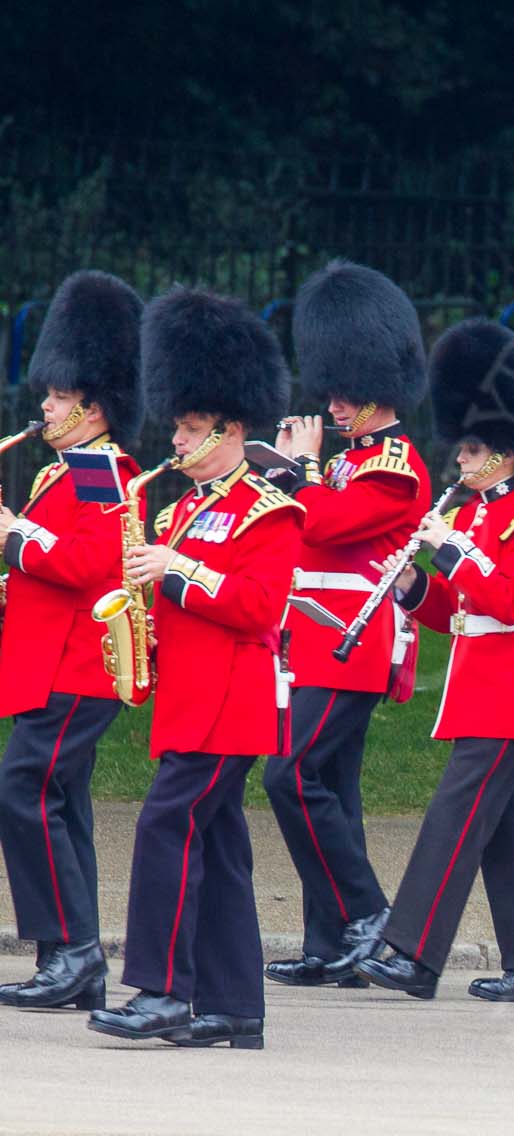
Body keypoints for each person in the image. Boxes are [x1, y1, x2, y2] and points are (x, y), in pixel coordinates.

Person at [87, 287, 301, 1049]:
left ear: (232, 427)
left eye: (191, 428)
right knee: (218, 846)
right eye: (177, 425)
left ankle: (162, 988)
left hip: (231, 703)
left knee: (164, 826)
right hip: (188, 696)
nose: (176, 440)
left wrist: (177, 570)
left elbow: (257, 608)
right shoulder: (178, 509)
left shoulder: (270, 510)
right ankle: (236, 1005)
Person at [355, 320, 514, 1004]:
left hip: (512, 690)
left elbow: (512, 600)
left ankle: (414, 951)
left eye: (472, 451)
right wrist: (416, 586)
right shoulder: (476, 517)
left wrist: (450, 552)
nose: (460, 462)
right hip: (480, 686)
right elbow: (461, 614)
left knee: (454, 817)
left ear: (504, 455)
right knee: (512, 832)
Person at [263, 260, 432, 990]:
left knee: (288, 774)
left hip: (352, 640)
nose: (331, 404)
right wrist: (287, 474)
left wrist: (301, 472)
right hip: (316, 637)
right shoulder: (347, 459)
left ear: (374, 389)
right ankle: (330, 943)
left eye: (341, 393)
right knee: (333, 786)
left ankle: (370, 915)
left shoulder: (394, 465)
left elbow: (329, 526)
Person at [0, 271, 143, 1013]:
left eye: (58, 397)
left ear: (91, 404)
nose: (45, 406)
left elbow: (88, 563)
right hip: (53, 661)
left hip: (79, 666)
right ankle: (71, 956)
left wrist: (12, 534)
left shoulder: (101, 471)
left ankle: (71, 948)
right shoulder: (68, 472)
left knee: (22, 788)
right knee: (58, 798)